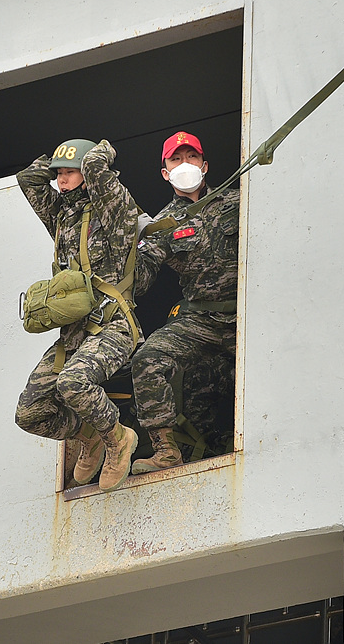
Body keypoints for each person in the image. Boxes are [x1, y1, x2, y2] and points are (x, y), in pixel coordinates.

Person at [15, 139, 142, 491]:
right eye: (59, 174)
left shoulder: (113, 211)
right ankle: (91, 436)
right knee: (29, 412)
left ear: (87, 173)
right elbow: (28, 179)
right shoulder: (62, 214)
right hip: (73, 334)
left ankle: (118, 439)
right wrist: (59, 158)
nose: (62, 179)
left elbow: (101, 177)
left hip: (114, 327)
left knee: (72, 382)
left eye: (70, 173)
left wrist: (97, 154)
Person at [130, 131, 239, 474]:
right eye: (176, 160)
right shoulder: (163, 225)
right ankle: (166, 451)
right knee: (148, 358)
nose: (184, 164)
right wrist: (130, 241)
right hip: (201, 322)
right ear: (165, 172)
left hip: (250, 314)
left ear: (204, 165)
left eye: (191, 157)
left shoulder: (240, 199)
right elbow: (142, 279)